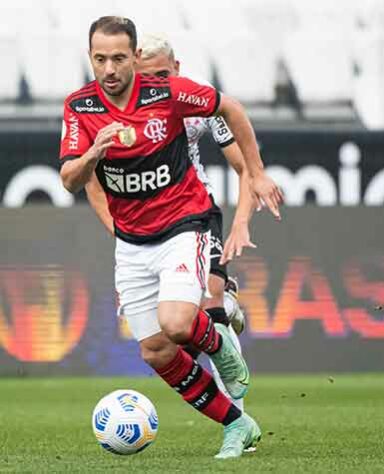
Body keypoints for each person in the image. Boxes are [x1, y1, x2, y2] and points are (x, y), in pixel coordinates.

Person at [59, 16, 283, 459]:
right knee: (156, 352)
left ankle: (219, 346)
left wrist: (255, 174)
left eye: (119, 58)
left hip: (186, 223)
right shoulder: (79, 108)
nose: (110, 69)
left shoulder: (167, 93)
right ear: (90, 58)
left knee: (178, 323)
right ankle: (238, 425)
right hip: (133, 243)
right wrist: (93, 153)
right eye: (100, 59)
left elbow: (230, 108)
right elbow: (69, 179)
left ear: (135, 56)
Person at [84, 33, 253, 417]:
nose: (157, 85)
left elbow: (242, 165)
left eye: (163, 74)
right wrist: (117, 227)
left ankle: (240, 418)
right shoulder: (115, 106)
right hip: (145, 227)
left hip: (196, 211)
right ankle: (222, 306)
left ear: (176, 68)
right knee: (168, 341)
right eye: (149, 77)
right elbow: (90, 179)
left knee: (212, 312)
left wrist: (242, 220)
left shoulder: (193, 97)